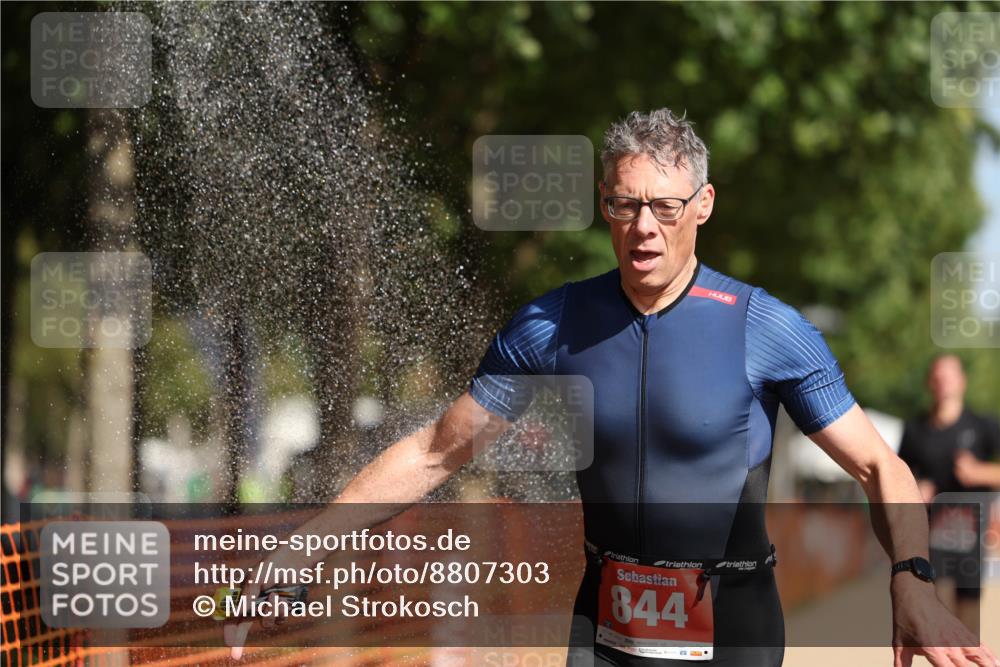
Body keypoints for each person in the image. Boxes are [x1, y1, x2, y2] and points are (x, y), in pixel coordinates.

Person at [230, 109, 997, 666]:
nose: (645, 228)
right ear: (604, 205)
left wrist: (912, 577)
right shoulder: (553, 324)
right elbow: (438, 450)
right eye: (625, 204)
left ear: (703, 205)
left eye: (665, 206)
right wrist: (308, 543)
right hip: (603, 625)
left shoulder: (765, 327)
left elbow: (878, 466)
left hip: (733, 626)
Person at [898, 354, 1000, 631]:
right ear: (930, 382)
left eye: (950, 375)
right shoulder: (915, 429)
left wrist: (979, 472)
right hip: (932, 531)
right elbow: (898, 476)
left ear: (962, 382)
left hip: (971, 533)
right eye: (938, 376)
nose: (943, 382)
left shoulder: (983, 425)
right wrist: (915, 489)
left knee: (967, 617)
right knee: (938, 609)